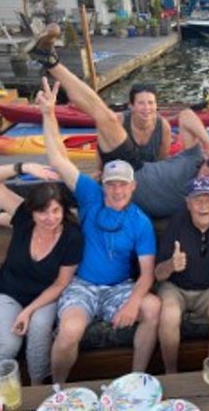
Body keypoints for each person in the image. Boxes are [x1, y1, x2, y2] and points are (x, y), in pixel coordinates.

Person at [26, 24, 209, 219]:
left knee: (55, 198)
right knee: (107, 118)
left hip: (120, 196)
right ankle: (51, 61)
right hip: (131, 169)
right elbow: (187, 116)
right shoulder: (194, 156)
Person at [36, 78, 160, 383]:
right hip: (84, 285)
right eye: (111, 184)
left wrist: (132, 304)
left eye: (122, 185)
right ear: (102, 183)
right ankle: (58, 388)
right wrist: (49, 114)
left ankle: (136, 380)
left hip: (120, 287)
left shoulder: (140, 221)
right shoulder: (90, 196)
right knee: (69, 332)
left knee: (153, 307)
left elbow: (147, 274)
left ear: (133, 186)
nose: (116, 190)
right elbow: (58, 160)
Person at [0, 162, 82, 385]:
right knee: (9, 344)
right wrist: (23, 167)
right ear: (32, 211)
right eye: (42, 212)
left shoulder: (72, 236)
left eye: (55, 211)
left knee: (40, 327)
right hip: (7, 292)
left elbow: (61, 283)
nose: (50, 218)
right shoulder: (22, 216)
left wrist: (29, 311)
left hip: (46, 295)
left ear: (63, 210)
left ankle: (38, 388)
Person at [155, 176, 209, 373]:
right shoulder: (177, 222)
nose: (203, 206)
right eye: (197, 200)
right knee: (169, 314)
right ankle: (171, 373)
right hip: (176, 288)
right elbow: (158, 275)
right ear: (188, 203)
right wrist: (171, 265)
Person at [97, 82, 172, 168]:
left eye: (151, 103)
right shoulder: (119, 122)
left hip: (149, 172)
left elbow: (162, 161)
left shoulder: (163, 127)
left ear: (156, 105)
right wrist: (99, 170)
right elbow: (102, 146)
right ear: (131, 106)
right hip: (122, 173)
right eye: (141, 103)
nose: (146, 108)